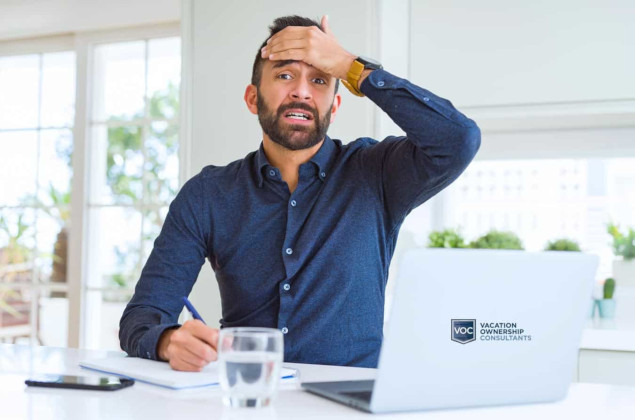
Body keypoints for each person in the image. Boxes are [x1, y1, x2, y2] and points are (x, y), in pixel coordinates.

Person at [119, 15, 480, 371]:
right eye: (285, 75)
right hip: (250, 398)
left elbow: (458, 139)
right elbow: (141, 318)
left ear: (334, 107)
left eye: (320, 79)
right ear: (252, 99)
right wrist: (168, 341)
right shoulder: (207, 195)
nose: (302, 91)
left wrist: (349, 66)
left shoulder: (377, 173)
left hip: (350, 405)